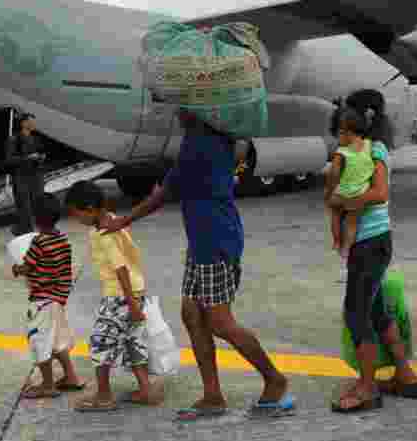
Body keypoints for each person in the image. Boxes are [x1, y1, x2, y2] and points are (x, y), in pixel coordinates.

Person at [99, 109, 292, 420]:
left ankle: (275, 379)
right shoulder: (206, 138)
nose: (176, 112)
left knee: (220, 322)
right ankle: (213, 395)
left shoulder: (201, 144)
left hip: (215, 243)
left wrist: (124, 220)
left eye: (182, 107)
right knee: (192, 315)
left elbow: (164, 193)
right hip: (202, 243)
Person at [327, 90, 417, 413]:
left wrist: (343, 201)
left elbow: (379, 193)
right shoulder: (364, 148)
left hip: (371, 241)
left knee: (356, 313)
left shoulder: (375, 149)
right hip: (368, 241)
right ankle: (405, 376)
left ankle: (367, 388)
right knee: (377, 311)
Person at [66, 181, 160, 411]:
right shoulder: (114, 221)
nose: (76, 220)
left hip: (120, 296)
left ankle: (104, 396)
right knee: (131, 340)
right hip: (135, 291)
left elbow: (120, 268)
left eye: (76, 214)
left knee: (100, 342)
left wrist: (130, 303)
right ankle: (146, 389)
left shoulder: (103, 233)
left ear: (89, 209)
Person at [12, 194, 84, 399]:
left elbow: (27, 266)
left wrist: (17, 269)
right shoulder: (63, 239)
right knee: (57, 341)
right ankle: (71, 377)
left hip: (41, 300)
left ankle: (48, 384)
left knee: (40, 341)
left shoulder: (39, 242)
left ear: (36, 218)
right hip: (57, 299)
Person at [325, 107, 376, 281]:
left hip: (344, 191)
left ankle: (336, 241)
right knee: (352, 223)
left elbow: (333, 173)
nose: (338, 138)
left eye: (339, 134)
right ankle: (347, 249)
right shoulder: (368, 145)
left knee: (334, 211)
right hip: (361, 193)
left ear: (346, 132)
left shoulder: (342, 152)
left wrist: (330, 192)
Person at [5, 112, 47, 236]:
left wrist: (41, 157)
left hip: (36, 176)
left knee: (38, 204)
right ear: (23, 123)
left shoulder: (36, 138)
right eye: (31, 122)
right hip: (21, 177)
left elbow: (40, 153)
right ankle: (26, 231)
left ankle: (39, 229)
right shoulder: (13, 139)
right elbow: (9, 160)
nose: (33, 124)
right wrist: (27, 158)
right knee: (24, 206)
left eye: (34, 122)